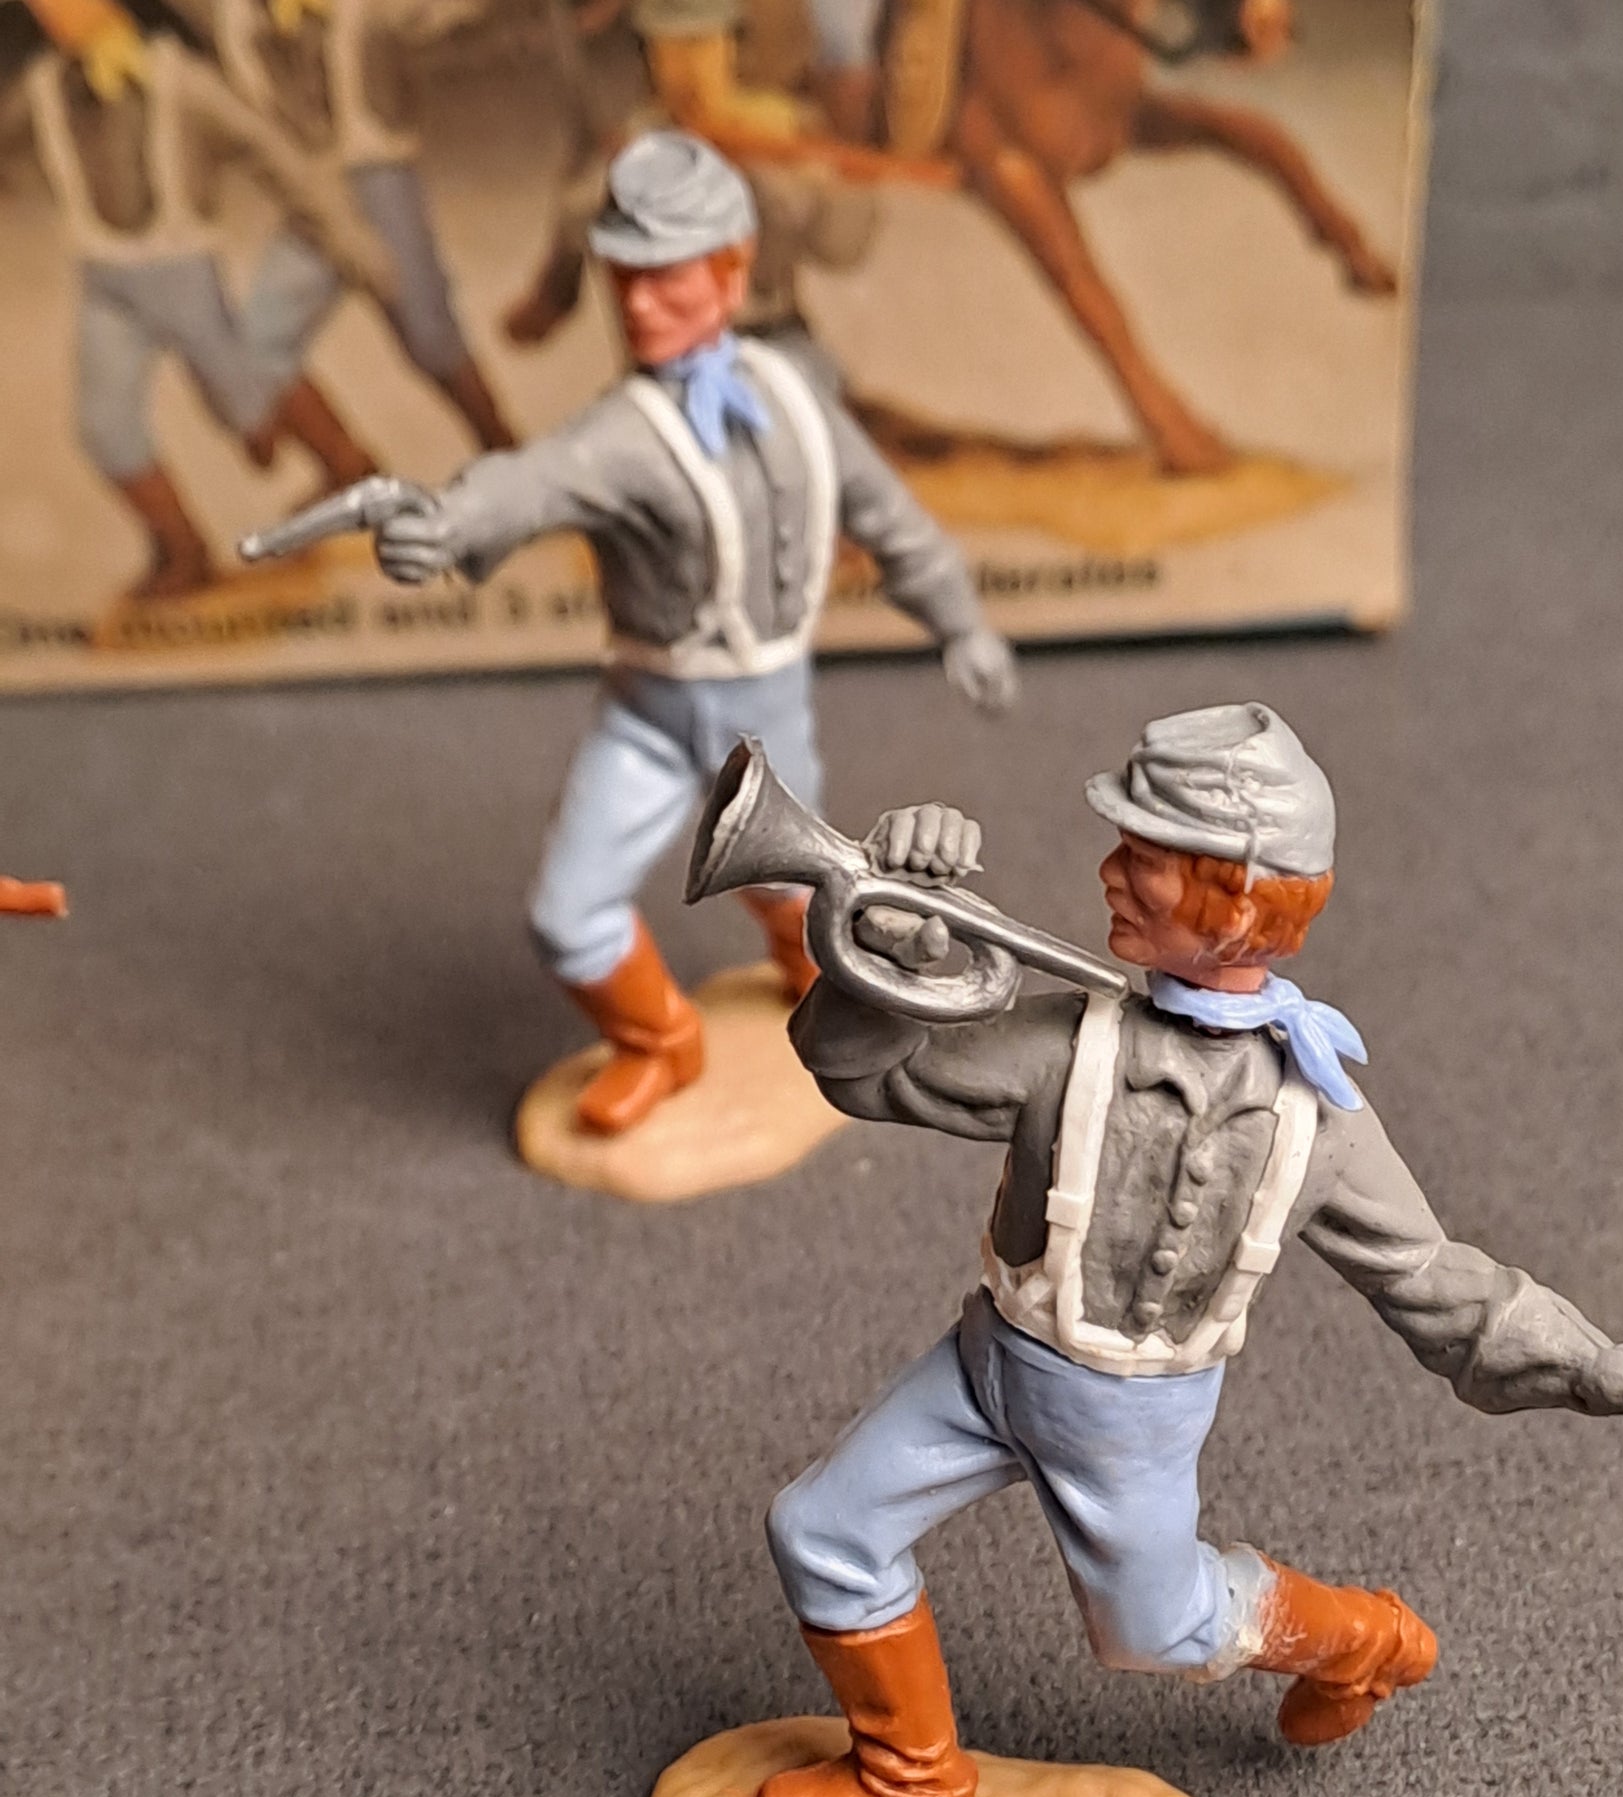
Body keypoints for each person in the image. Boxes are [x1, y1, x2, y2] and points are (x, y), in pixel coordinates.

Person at [754, 703, 1623, 1797]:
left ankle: (1361, 1641)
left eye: (1145, 859)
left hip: (1130, 1423)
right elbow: (865, 1078)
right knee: (821, 1529)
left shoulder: (1314, 1118)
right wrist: (892, 946)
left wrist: (1602, 1367)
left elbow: (1432, 1280)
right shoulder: (1064, 1044)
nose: (1107, 871)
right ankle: (912, 1783)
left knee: (1152, 1632)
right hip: (985, 1366)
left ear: (1232, 907)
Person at [373, 129, 1015, 1137]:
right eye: (623, 278)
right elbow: (531, 481)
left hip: (769, 715)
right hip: (646, 716)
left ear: (731, 269)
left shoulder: (796, 392)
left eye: (665, 278)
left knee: (804, 887)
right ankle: (660, 1041)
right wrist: (447, 523)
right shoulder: (621, 434)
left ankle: (817, 981)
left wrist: (959, 621)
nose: (637, 305)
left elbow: (886, 514)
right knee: (567, 916)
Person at [5, 14, 392, 596]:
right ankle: (183, 551)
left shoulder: (183, 84)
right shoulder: (41, 92)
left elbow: (274, 155)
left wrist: (346, 238)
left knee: (249, 404)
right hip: (107, 286)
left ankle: (350, 471)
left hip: (183, 276)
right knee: (105, 426)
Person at [214, 0, 516, 455]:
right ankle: (350, 466)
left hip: (377, 175)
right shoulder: (239, 14)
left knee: (430, 335)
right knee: (256, 342)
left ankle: (504, 449)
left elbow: (434, 18)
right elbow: (255, 110)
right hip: (316, 192)